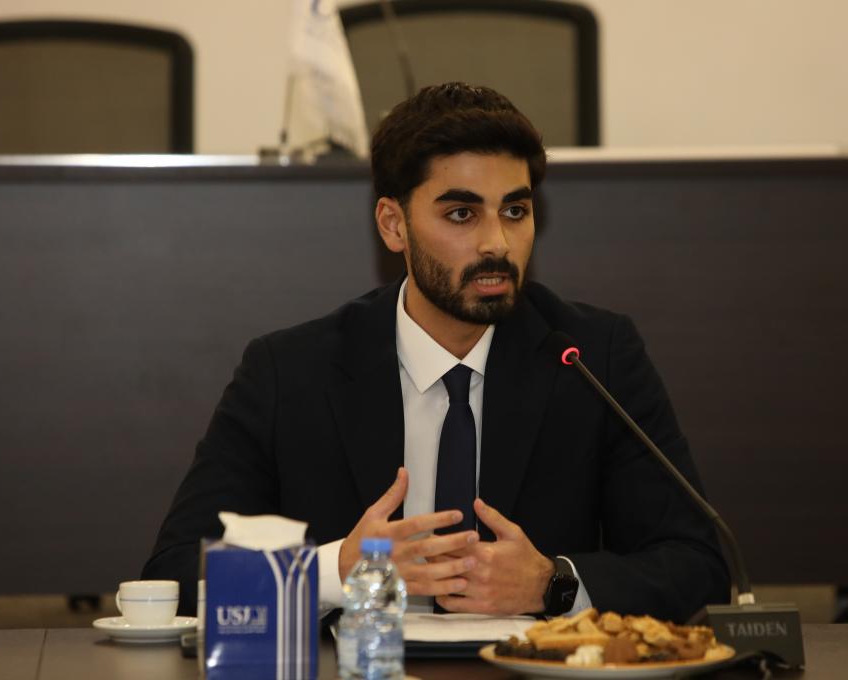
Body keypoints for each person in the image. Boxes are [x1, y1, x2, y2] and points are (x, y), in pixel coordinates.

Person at [143, 82, 730, 621]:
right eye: (461, 213)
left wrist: (554, 584)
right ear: (393, 225)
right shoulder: (290, 372)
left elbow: (699, 566)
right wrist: (335, 572)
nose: (497, 243)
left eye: (515, 211)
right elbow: (175, 573)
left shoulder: (590, 358)